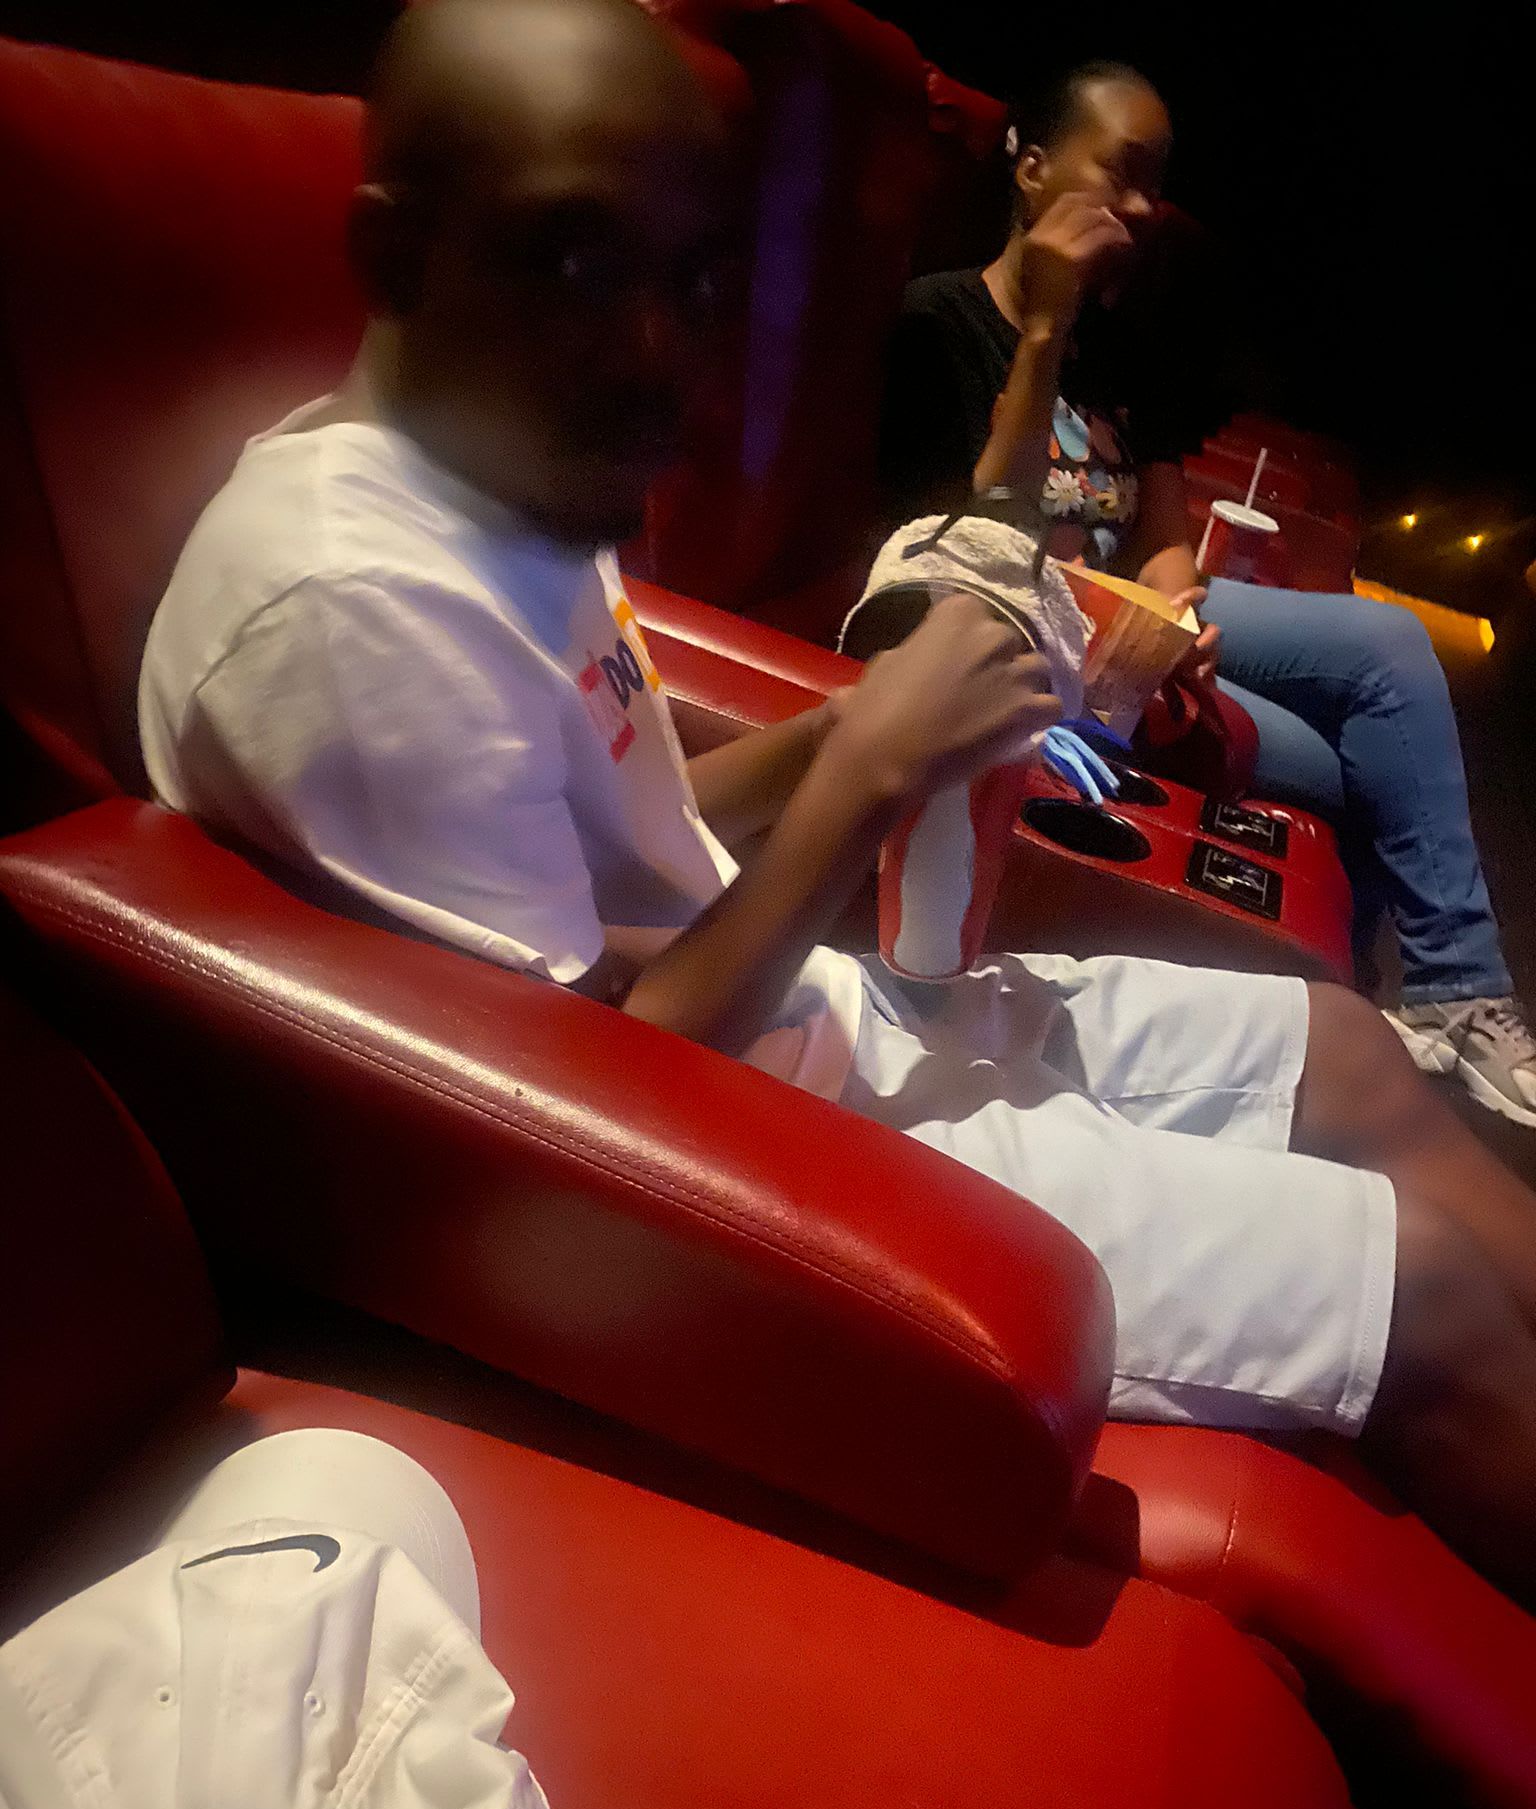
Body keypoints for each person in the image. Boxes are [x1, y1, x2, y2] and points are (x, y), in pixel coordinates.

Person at [140, 0, 1536, 1606]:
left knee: (1347, 1050)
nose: (658, 352)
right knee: (1420, 1287)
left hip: (818, 1030)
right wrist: (868, 777)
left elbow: (633, 845)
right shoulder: (347, 610)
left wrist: (856, 725)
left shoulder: (496, 469)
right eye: (580, 261)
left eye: (697, 280)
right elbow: (587, 1122)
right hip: (747, 1170)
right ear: (392, 258)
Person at [878, 58, 1536, 1128]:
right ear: (1035, 169)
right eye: (1121, 174)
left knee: (1380, 677)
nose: (1143, 209)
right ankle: (1445, 993)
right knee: (1365, 701)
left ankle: (1412, 1003)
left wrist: (1178, 614)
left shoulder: (1118, 344)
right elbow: (962, 556)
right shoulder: (940, 324)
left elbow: (1163, 535)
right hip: (1029, 651)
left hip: (1127, 642)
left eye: (1157, 183)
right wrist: (1041, 328)